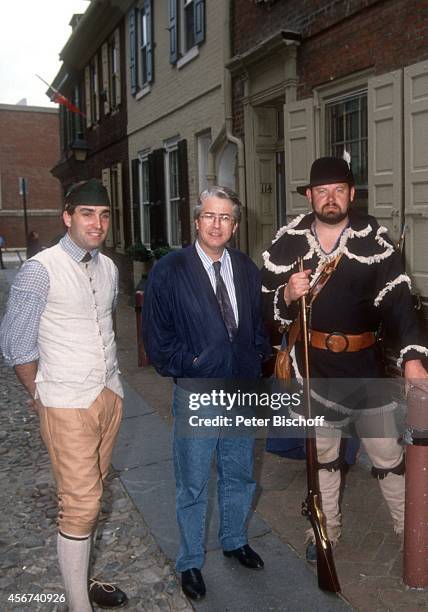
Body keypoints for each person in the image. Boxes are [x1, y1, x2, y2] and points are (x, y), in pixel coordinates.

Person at [261, 156, 428, 561]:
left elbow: (401, 305)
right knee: (323, 456)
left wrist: (412, 359)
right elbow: (265, 311)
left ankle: (412, 537)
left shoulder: (376, 241)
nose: (331, 198)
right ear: (309, 196)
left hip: (365, 369)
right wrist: (286, 295)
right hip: (314, 367)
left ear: (353, 194)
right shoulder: (288, 242)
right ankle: (325, 530)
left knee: (388, 456)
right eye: (322, 191)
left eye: (339, 190)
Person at [0, 179, 128, 611]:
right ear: (67, 217)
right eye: (88, 214)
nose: (98, 223)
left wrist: (112, 388)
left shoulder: (109, 268)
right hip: (64, 400)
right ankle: (78, 605)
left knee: (94, 493)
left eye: (105, 214)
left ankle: (82, 578)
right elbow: (16, 344)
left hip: (108, 395)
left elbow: (102, 325)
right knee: (81, 502)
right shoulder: (41, 268)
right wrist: (40, 395)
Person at [142, 186, 270, 600]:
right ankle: (191, 561)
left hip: (241, 390)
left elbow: (258, 324)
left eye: (226, 217)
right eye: (210, 216)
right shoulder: (170, 269)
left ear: (234, 225)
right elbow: (157, 339)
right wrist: (193, 363)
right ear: (196, 221)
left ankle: (234, 540)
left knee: (240, 473)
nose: (217, 224)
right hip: (198, 391)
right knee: (193, 482)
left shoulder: (247, 268)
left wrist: (256, 359)